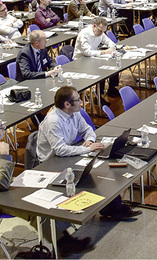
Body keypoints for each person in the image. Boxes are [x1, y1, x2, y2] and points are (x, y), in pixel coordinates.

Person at [0, 112, 92, 255]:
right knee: (35, 208)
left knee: (45, 193)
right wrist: (5, 156)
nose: (4, 128)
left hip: (1, 189)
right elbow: (2, 183)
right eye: (0, 127)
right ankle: (64, 244)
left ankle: (65, 238)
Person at [35, 86, 141, 220]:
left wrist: (90, 140)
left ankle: (113, 207)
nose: (81, 102)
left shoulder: (74, 113)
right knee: (93, 173)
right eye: (78, 100)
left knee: (100, 167)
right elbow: (60, 150)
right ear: (67, 104)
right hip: (53, 163)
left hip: (70, 154)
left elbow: (87, 129)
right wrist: (87, 149)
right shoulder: (53, 121)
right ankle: (111, 208)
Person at [74, 17, 120, 98]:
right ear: (94, 26)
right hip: (81, 61)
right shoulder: (84, 34)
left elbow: (109, 42)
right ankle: (99, 96)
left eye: (103, 31)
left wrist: (112, 48)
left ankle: (112, 89)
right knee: (102, 71)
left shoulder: (100, 32)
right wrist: (104, 52)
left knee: (114, 65)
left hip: (92, 58)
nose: (101, 33)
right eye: (100, 30)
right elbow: (87, 52)